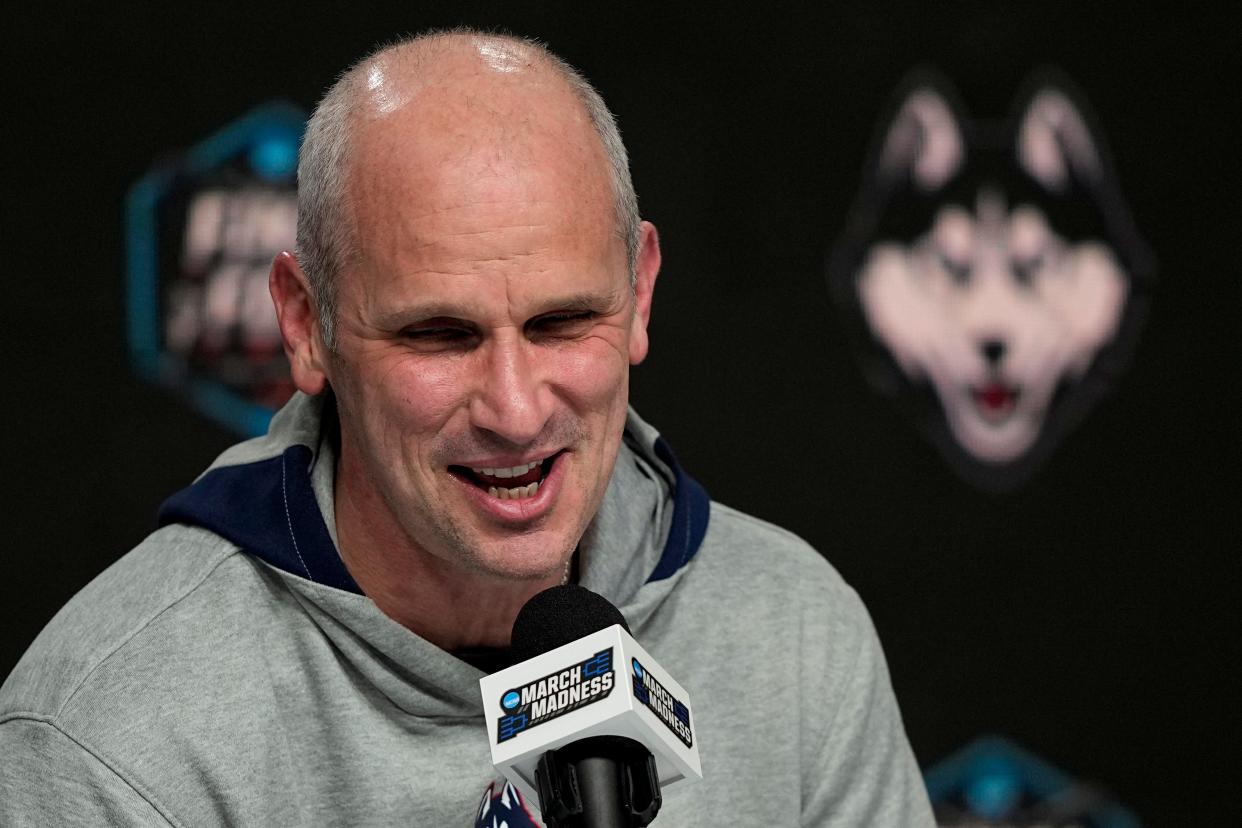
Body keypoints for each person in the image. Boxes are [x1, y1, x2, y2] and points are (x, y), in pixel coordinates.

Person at [0, 30, 934, 826]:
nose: (517, 409)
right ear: (304, 325)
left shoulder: (799, 637)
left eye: (563, 323)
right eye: (439, 335)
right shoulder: (113, 735)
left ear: (640, 293)